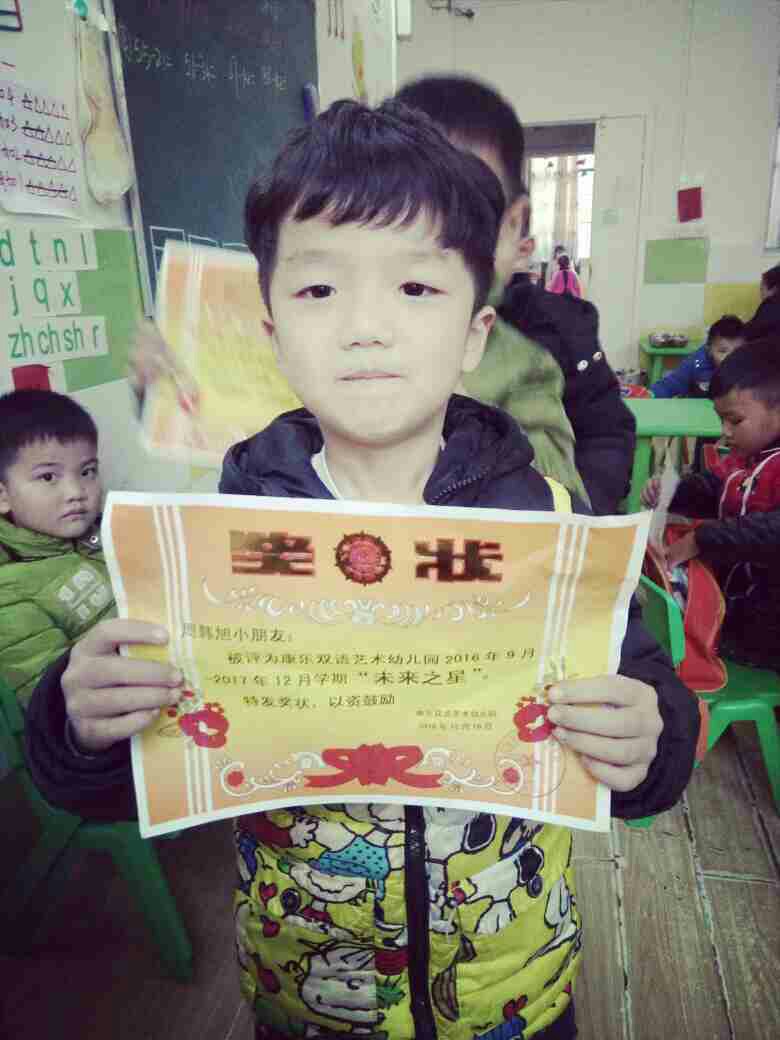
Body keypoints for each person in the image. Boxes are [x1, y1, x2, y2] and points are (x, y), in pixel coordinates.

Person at [26, 100, 699, 1040]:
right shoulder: (221, 536)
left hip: (510, 987)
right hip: (308, 991)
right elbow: (117, 778)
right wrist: (82, 722)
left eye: (416, 287)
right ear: (271, 332)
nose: (366, 327)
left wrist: (647, 742)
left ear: (474, 332)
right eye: (319, 290)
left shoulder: (546, 520)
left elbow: (651, 712)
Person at [394, 74, 635, 515]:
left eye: (470, 213)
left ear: (514, 226)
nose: (439, 245)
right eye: (405, 217)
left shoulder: (545, 345)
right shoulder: (359, 330)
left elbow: (601, 443)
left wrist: (589, 510)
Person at [642, 339, 780, 670]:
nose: (724, 432)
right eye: (721, 420)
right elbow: (716, 487)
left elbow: (772, 530)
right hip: (740, 603)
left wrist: (703, 539)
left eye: (735, 421)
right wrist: (673, 492)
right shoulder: (748, 457)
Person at [0, 390, 114, 706]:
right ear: (3, 496)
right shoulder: (8, 591)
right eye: (48, 476)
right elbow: (52, 707)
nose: (76, 491)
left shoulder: (106, 531)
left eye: (87, 472)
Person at [649, 315, 744, 399]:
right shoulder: (695, 364)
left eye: (738, 351)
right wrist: (650, 395)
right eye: (722, 351)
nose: (731, 357)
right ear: (709, 349)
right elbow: (670, 384)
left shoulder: (747, 365)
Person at [742, 264, 780, 341]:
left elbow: (749, 332)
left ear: (774, 289)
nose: (760, 293)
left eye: (762, 288)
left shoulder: (771, 306)